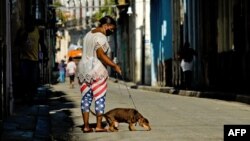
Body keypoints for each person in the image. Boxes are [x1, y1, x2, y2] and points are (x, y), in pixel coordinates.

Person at [77, 15, 121, 133]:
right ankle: (98, 126)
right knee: (99, 98)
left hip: (83, 70)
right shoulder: (101, 37)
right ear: (106, 26)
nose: (112, 32)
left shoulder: (88, 34)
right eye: (112, 29)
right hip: (97, 71)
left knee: (86, 98)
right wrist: (114, 65)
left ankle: (86, 126)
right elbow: (101, 55)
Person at [18, 18, 47, 105]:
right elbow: (16, 43)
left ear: (33, 24)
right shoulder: (22, 31)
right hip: (24, 59)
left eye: (31, 23)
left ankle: (30, 97)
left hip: (34, 60)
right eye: (27, 23)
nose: (29, 25)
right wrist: (23, 36)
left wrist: (45, 56)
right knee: (24, 79)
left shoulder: (38, 31)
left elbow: (42, 43)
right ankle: (25, 96)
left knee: (33, 80)